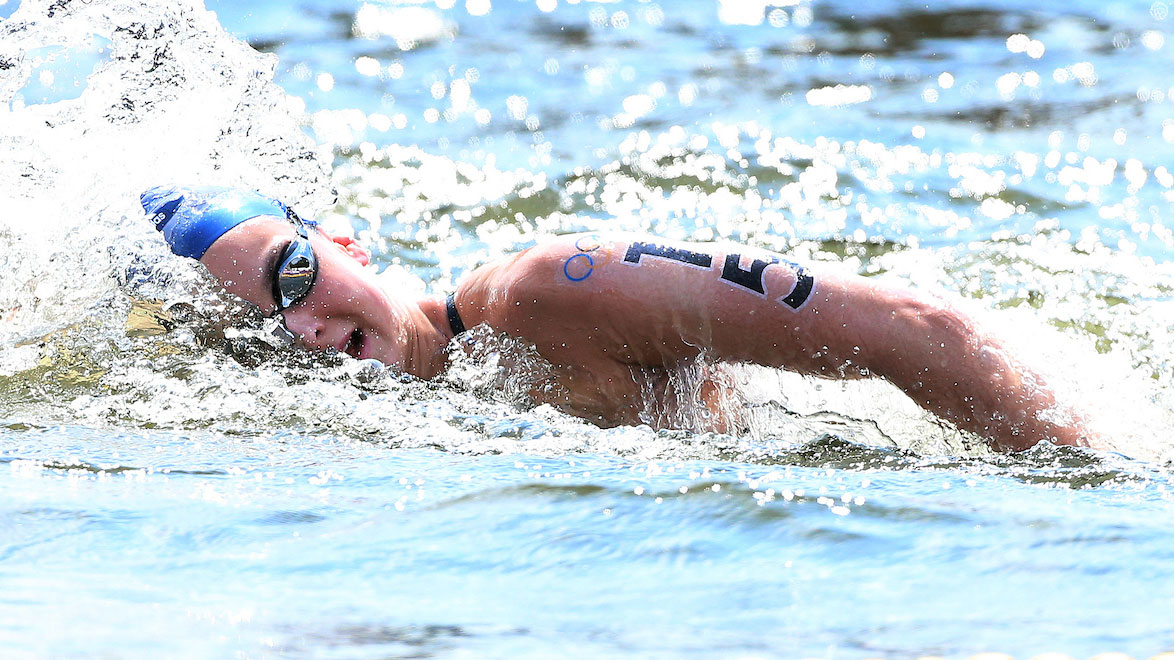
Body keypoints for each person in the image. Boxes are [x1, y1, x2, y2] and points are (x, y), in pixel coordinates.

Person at [140, 184, 1100, 452]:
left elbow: (913, 326)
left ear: (346, 243)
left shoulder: (555, 290)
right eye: (269, 318)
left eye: (295, 273)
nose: (302, 325)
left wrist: (1091, 496)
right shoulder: (355, 429)